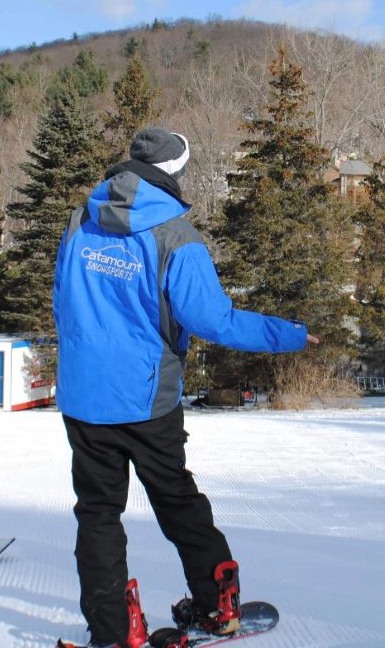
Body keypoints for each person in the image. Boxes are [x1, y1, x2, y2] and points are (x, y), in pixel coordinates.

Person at [52, 127, 316, 648]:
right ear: (176, 173)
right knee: (175, 499)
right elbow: (214, 320)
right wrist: (289, 334)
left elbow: (62, 295)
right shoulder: (176, 236)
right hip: (147, 399)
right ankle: (218, 605)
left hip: (85, 396)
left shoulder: (81, 219)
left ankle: (113, 630)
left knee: (98, 513)